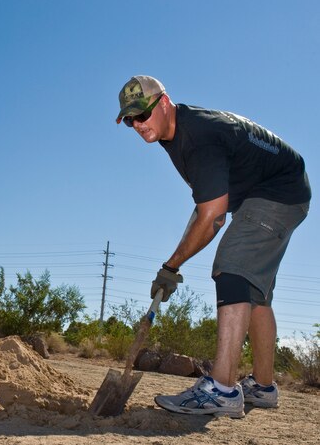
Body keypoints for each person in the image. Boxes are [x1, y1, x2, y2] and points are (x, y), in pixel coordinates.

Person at [115, 75, 311, 418]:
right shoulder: (175, 136)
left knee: (231, 266)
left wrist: (172, 265)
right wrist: (170, 266)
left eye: (142, 115)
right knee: (255, 291)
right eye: (130, 120)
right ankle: (263, 387)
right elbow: (204, 206)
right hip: (276, 189)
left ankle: (222, 389)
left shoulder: (198, 137)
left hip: (277, 191)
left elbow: (214, 217)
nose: (137, 125)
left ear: (163, 103)